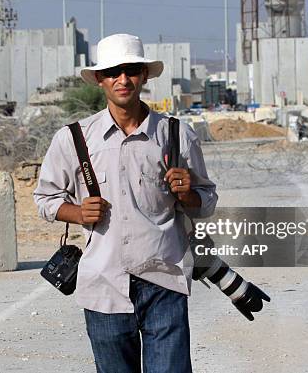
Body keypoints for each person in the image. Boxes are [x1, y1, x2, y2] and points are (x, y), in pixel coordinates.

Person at [34, 33, 218, 373]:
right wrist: (76, 212)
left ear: (144, 75)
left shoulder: (176, 134)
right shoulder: (74, 139)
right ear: (100, 79)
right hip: (104, 284)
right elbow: (44, 199)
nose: (123, 79)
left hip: (164, 280)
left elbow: (205, 201)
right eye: (113, 72)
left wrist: (188, 194)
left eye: (131, 70)